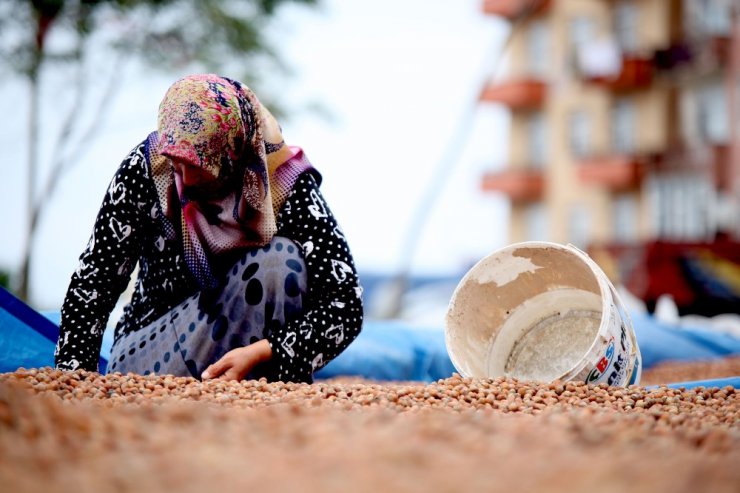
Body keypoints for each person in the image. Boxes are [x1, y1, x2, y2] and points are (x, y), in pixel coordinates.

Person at [54, 74, 364, 383]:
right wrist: (75, 383)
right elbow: (95, 281)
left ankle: (260, 404)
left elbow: (345, 304)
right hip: (151, 359)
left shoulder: (281, 182)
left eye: (199, 166)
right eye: (177, 166)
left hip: (256, 367)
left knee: (279, 262)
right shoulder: (146, 171)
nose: (185, 180)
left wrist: (268, 351)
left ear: (232, 151)